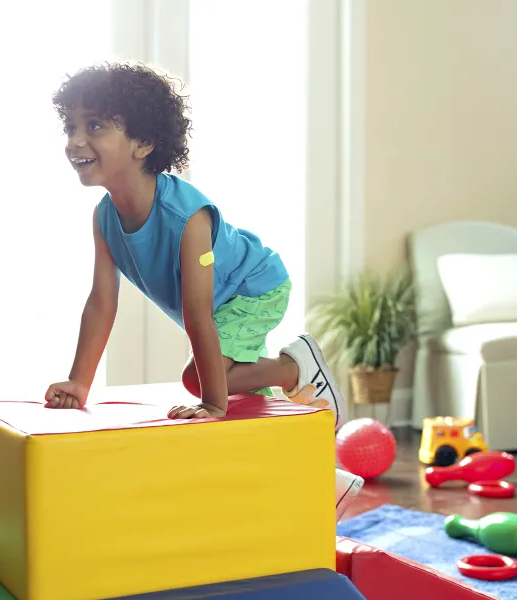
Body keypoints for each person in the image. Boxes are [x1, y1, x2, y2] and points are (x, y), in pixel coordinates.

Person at [43, 61, 346, 430]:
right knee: (241, 391)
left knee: (199, 379)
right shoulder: (104, 218)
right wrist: (79, 382)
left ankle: (293, 368)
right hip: (217, 307)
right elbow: (101, 303)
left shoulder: (186, 218)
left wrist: (212, 404)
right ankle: (304, 466)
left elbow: (198, 312)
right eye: (70, 126)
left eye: (94, 125)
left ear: (144, 142)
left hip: (254, 289)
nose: (75, 140)